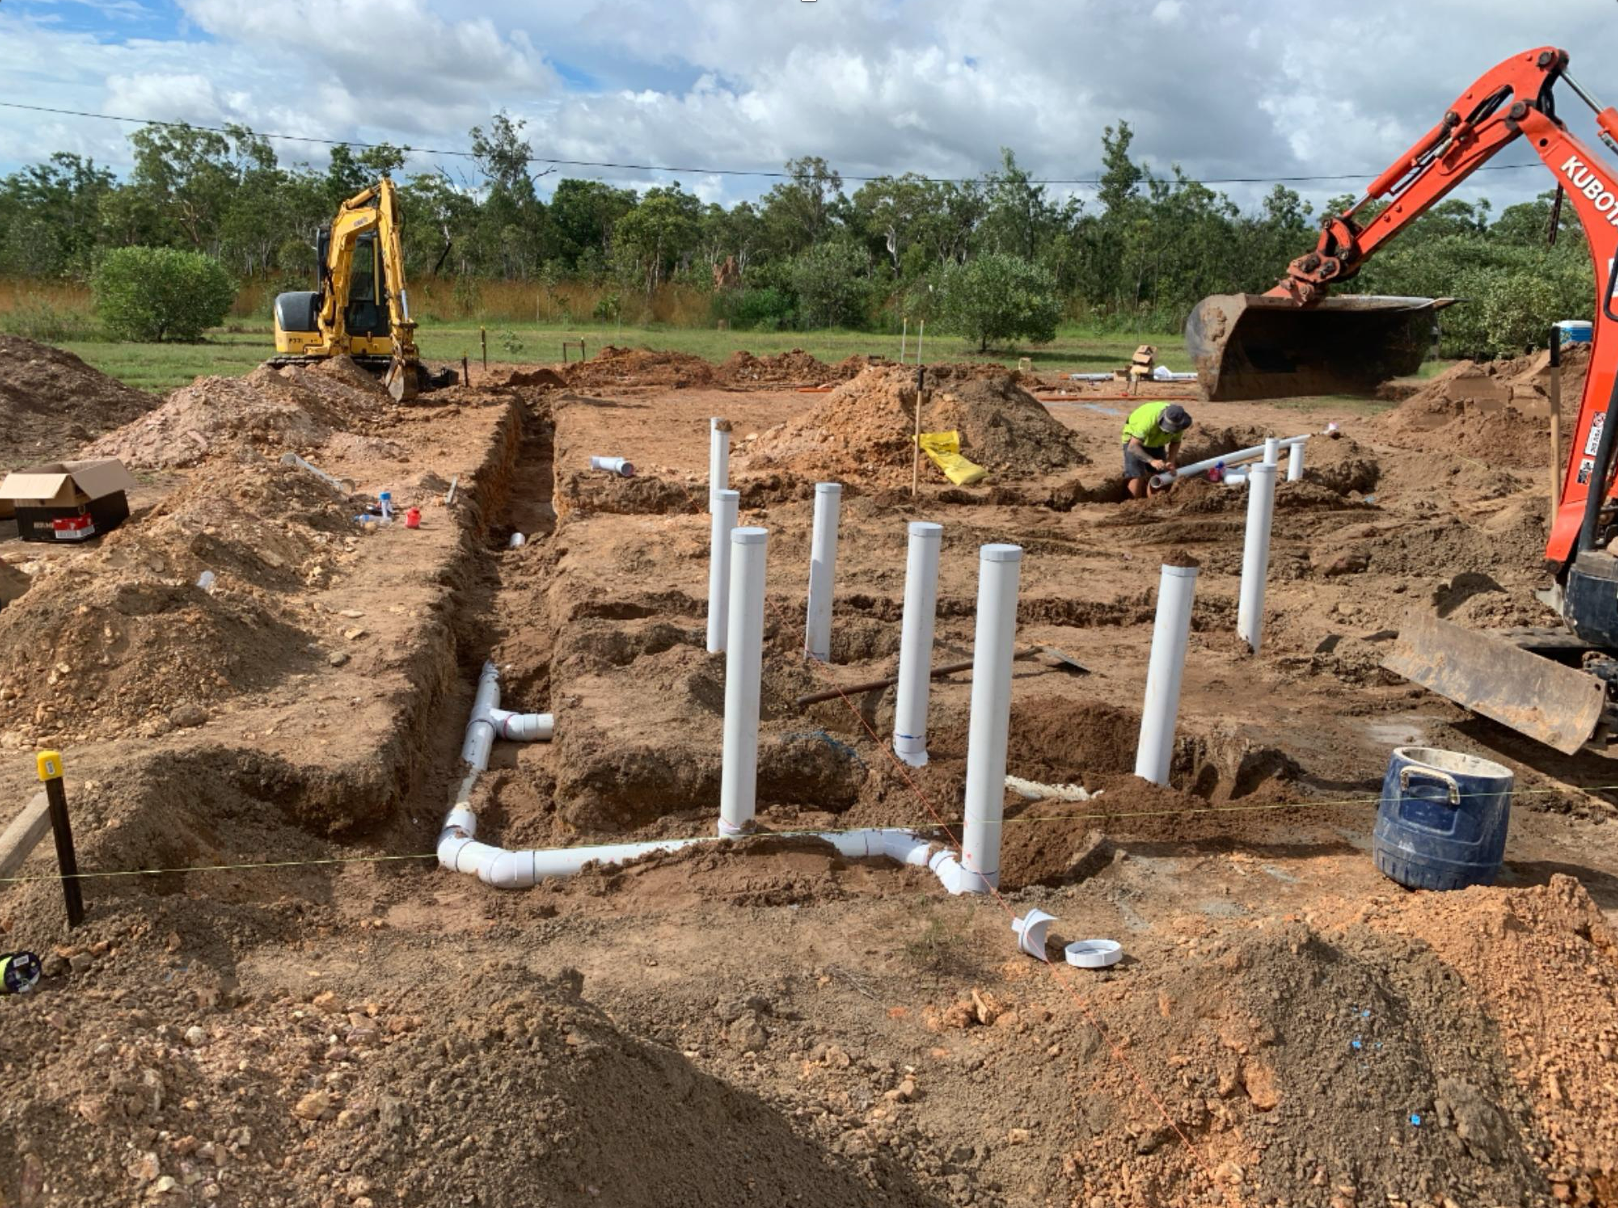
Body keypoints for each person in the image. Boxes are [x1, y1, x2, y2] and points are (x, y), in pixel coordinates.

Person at [1120, 401, 1193, 498]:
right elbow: (1133, 446)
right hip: (1134, 441)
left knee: (1160, 475)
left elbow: (1175, 442)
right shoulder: (1148, 420)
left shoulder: (1179, 423)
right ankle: (1133, 505)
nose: (1170, 431)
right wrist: (1152, 460)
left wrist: (1171, 460)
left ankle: (1153, 503)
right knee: (1136, 474)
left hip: (1157, 442)